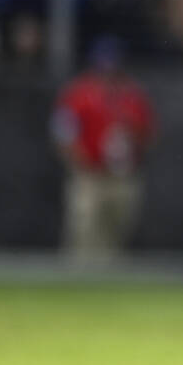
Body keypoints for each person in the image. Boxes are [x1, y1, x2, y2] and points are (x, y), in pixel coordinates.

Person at [52, 36, 155, 262]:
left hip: (122, 176)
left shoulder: (132, 95)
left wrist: (131, 144)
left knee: (116, 238)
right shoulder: (78, 94)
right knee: (84, 235)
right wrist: (82, 163)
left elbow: (147, 133)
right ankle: (76, 285)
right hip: (89, 175)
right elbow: (63, 134)